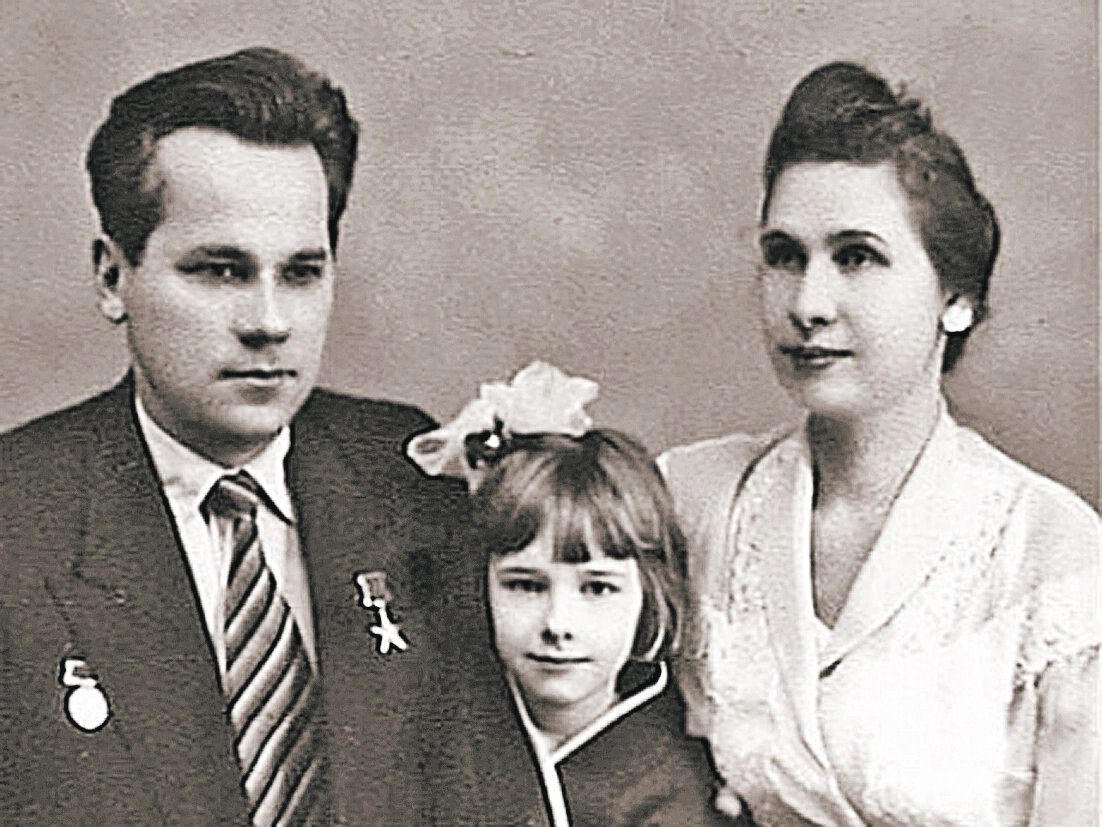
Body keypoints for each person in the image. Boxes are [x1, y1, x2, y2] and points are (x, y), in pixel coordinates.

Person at [0, 47, 530, 825]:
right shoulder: (17, 518)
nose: (270, 322)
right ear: (114, 277)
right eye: (220, 270)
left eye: (302, 272)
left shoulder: (411, 477)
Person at [659, 62, 1101, 826]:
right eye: (784, 255)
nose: (808, 303)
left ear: (957, 297)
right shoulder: (694, 500)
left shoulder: (1056, 558)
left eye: (856, 256)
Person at [407, 362, 743, 827]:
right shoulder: (440, 721)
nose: (557, 624)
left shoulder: (682, 776)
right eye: (525, 585)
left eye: (598, 587)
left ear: (649, 593)